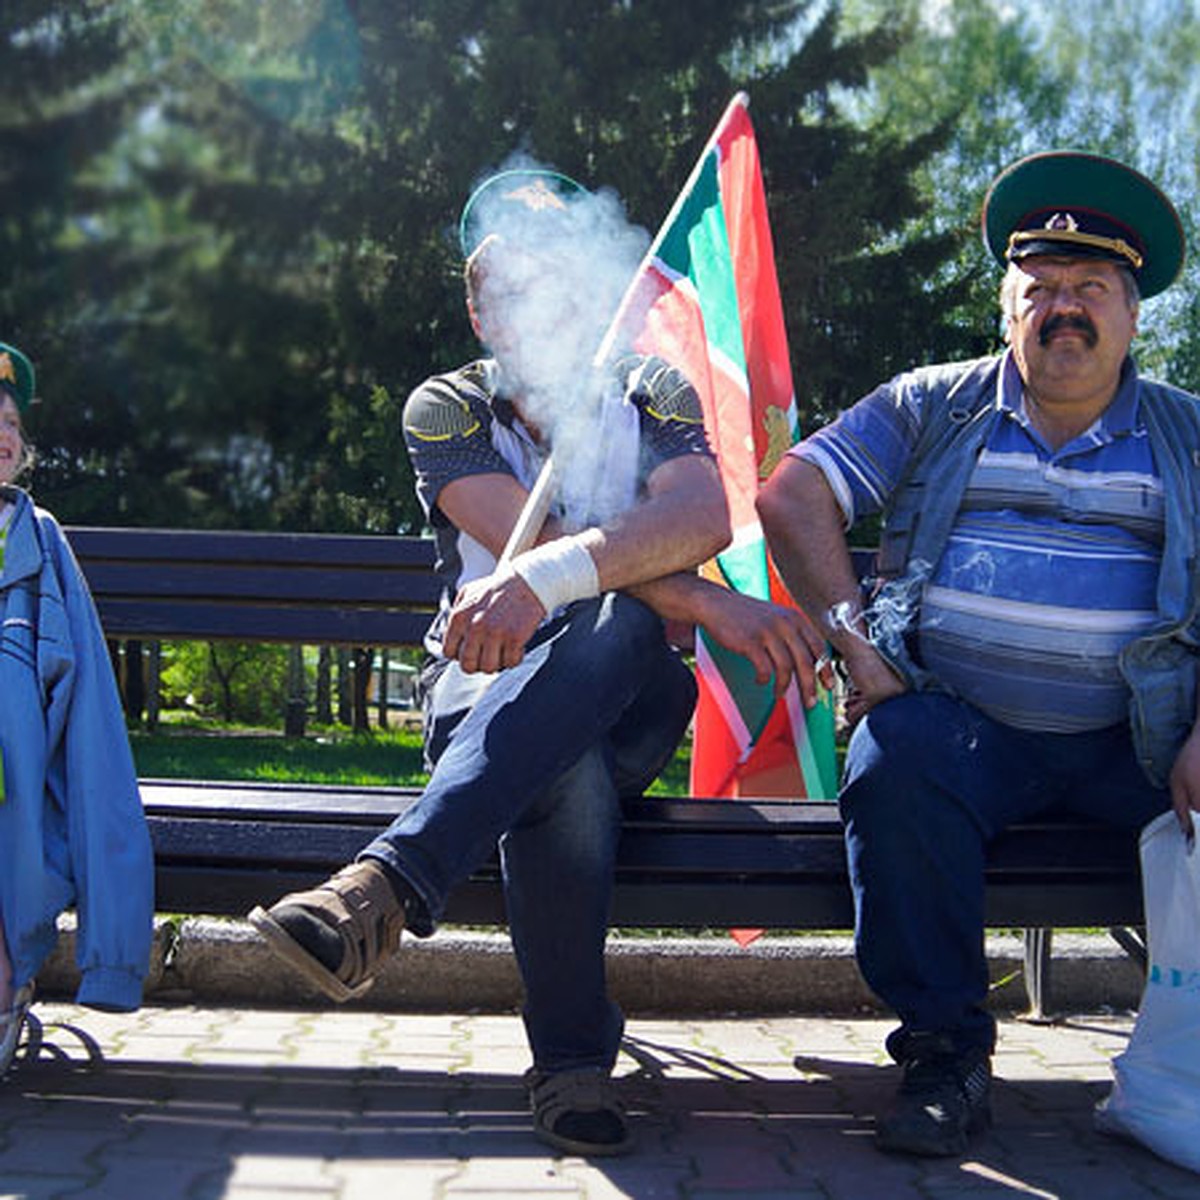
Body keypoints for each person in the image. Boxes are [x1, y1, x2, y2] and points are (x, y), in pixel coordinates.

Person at [250, 169, 824, 1156]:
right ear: (478, 307)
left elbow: (695, 516)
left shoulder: (653, 391)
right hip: (480, 691)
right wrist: (704, 599)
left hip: (633, 690)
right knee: (569, 767)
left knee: (616, 630)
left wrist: (624, 576)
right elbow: (536, 543)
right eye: (508, 280)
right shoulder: (445, 407)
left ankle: (385, 884)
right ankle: (571, 1063)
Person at [758, 150, 1200, 1158]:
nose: (1065, 310)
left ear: (1134, 315)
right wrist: (850, 635)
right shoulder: (933, 405)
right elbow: (792, 493)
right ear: (1009, 310)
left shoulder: (1189, 437)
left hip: (1143, 742)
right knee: (895, 758)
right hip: (966, 729)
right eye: (1040, 289)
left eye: (1091, 288)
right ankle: (946, 1057)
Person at [0, 341, 155, 1078]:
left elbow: (92, 741)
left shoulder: (39, 550)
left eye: (9, 419)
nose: (3, 429)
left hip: (16, 816)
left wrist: (114, 960)